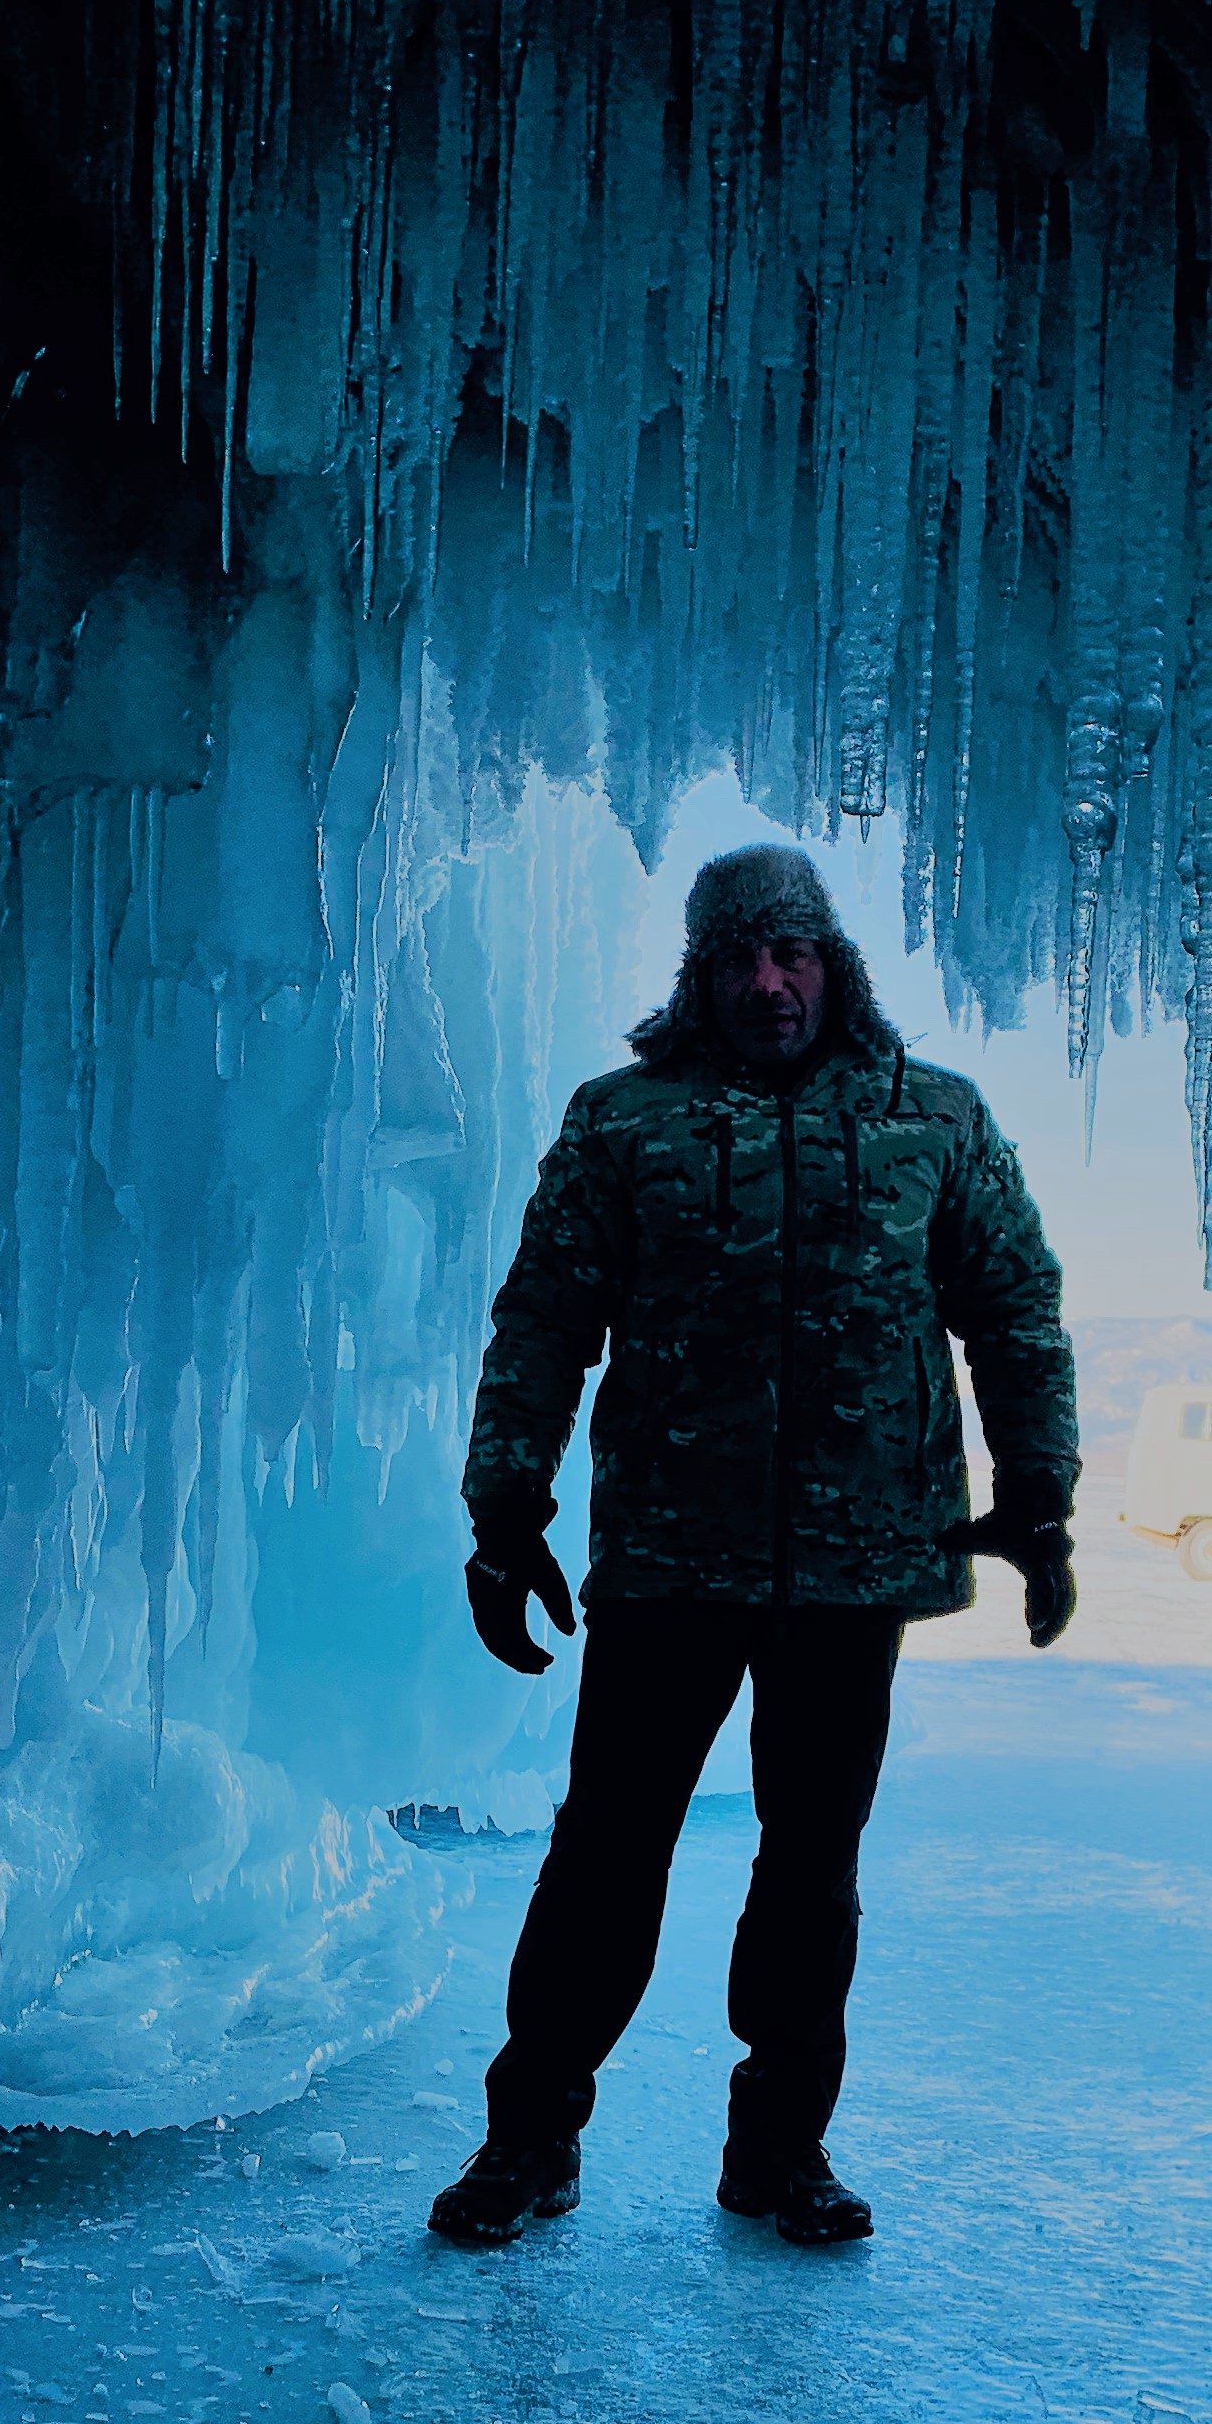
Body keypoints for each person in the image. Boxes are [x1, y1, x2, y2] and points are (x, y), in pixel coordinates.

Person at [430, 841, 1079, 2252]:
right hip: (670, 1559)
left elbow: (1014, 1310)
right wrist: (505, 1513)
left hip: (856, 1569)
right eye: (737, 957)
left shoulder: (932, 1118)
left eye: (790, 954)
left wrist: (1039, 1496)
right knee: (606, 1854)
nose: (766, 983)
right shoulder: (624, 1121)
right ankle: (529, 2136)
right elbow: (543, 1323)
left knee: (810, 1865)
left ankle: (780, 2151)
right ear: (700, 974)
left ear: (832, 966)